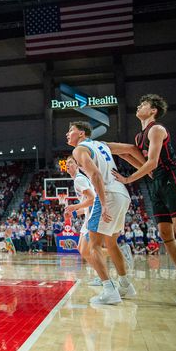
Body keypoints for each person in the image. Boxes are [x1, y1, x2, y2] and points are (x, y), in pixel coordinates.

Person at [67, 121, 135, 305]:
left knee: (92, 246)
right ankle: (125, 284)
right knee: (111, 244)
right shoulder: (102, 145)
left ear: (81, 134)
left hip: (108, 194)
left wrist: (103, 204)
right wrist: (148, 168)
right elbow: (131, 149)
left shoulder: (79, 149)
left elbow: (96, 175)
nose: (67, 134)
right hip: (122, 193)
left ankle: (109, 289)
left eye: (71, 130)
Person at [109, 94, 176, 272]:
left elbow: (152, 163)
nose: (139, 106)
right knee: (165, 234)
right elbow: (143, 164)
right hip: (156, 182)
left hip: (171, 177)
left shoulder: (156, 129)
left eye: (144, 104)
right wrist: (121, 153)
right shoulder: (139, 137)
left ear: (153, 110)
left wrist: (127, 179)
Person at [64, 156, 98, 284]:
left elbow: (93, 199)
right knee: (82, 249)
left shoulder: (79, 179)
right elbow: (87, 205)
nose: (68, 165)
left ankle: (117, 253)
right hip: (89, 215)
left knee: (88, 250)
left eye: (71, 162)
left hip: (93, 215)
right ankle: (101, 275)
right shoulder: (79, 179)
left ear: (77, 165)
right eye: (67, 163)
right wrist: (73, 213)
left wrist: (74, 207)